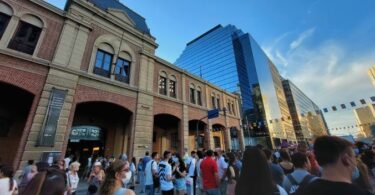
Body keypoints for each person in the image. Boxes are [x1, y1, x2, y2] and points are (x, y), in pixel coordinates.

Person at [295, 136, 371, 195]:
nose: (356, 161)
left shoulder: (303, 190)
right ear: (346, 159)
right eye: (354, 156)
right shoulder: (358, 193)